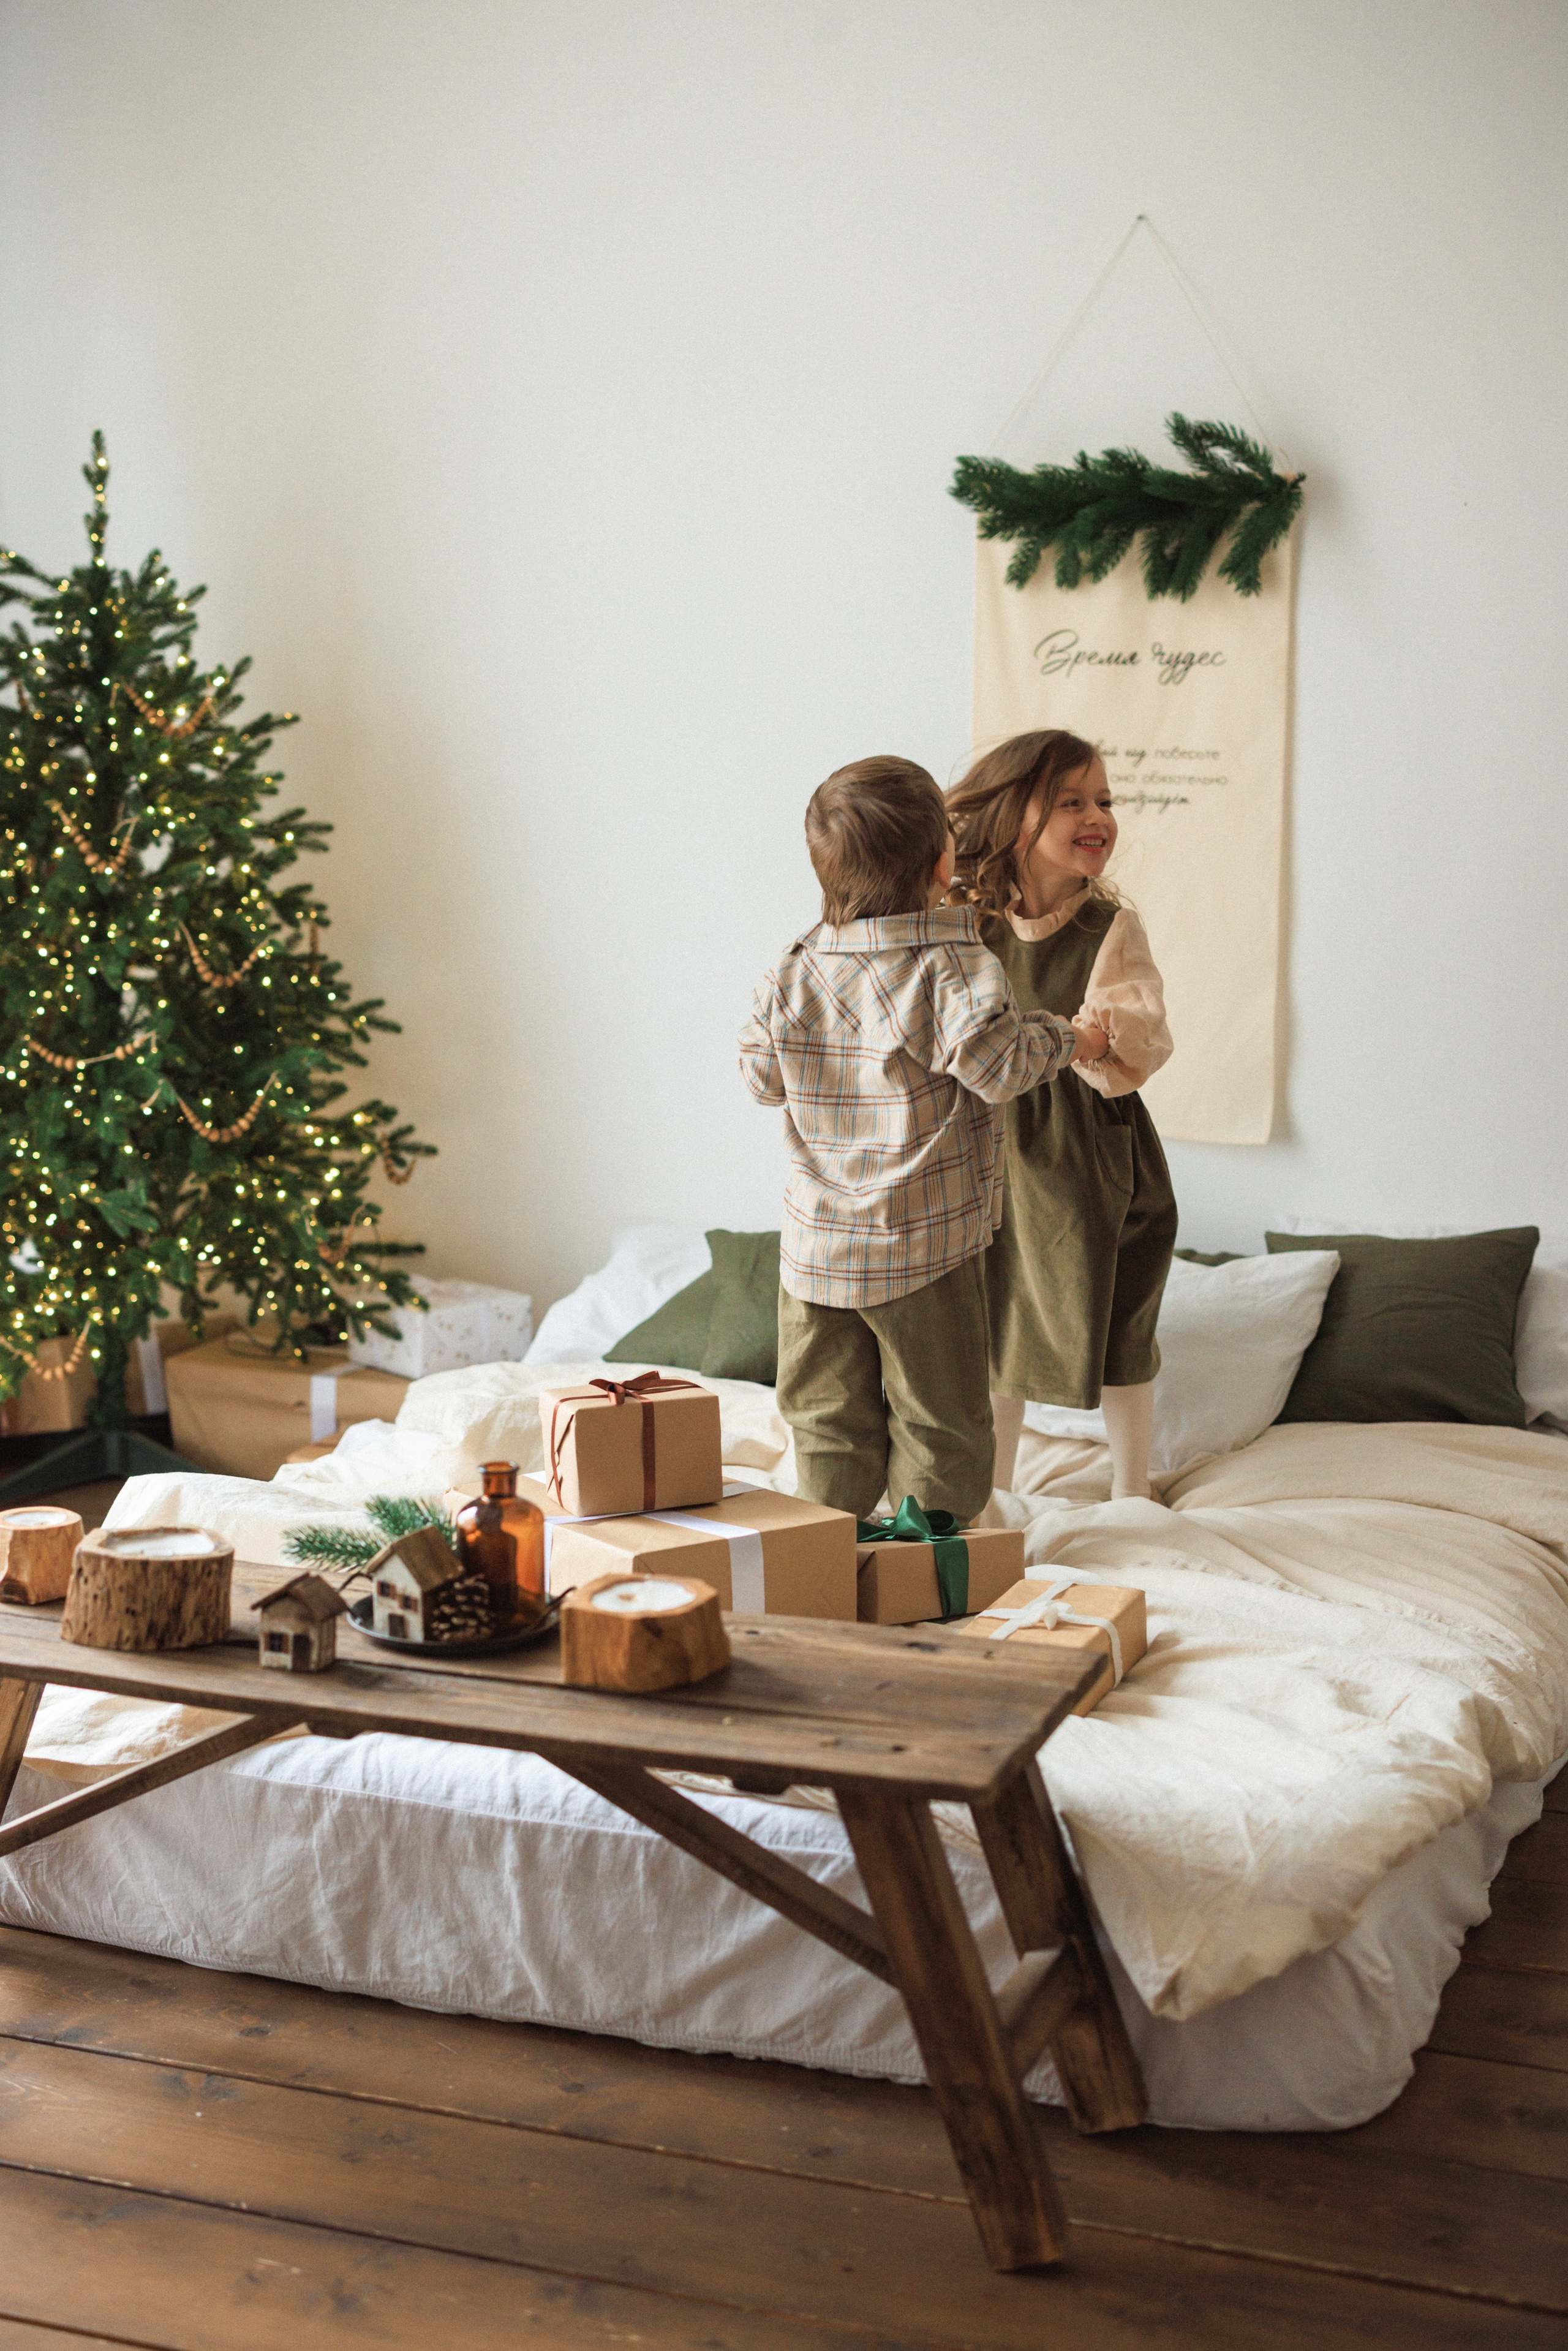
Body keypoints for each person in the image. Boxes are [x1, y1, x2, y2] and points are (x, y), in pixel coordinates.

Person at [738, 753, 1105, 1523]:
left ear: (824, 871)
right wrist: (1066, 1036)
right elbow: (998, 1067)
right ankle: (924, 1579)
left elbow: (761, 1079)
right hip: (921, 1250)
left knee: (824, 1421)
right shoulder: (951, 963)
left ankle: (827, 1557)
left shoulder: (793, 968)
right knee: (938, 1424)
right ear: (943, 861)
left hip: (814, 1254)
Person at [946, 729, 1176, 1503]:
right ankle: (992, 1493)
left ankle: (1131, 1492)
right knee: (997, 1317)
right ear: (1015, 817)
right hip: (989, 1149)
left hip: (1091, 1153)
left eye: (1105, 801)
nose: (1097, 816)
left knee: (1118, 1315)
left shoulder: (1108, 927)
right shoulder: (965, 926)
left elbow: (1132, 1042)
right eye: (1072, 801)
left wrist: (1096, 1035)